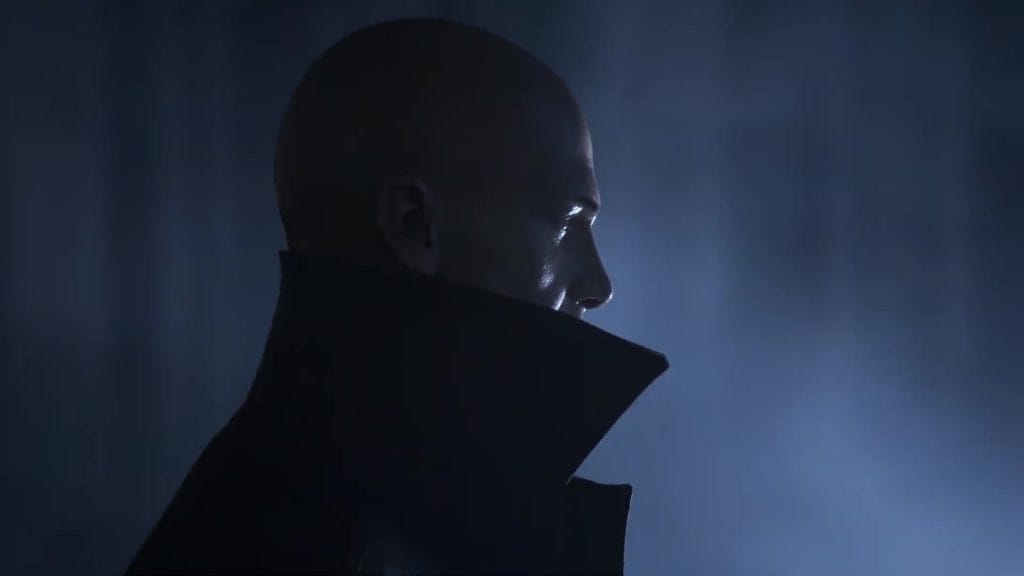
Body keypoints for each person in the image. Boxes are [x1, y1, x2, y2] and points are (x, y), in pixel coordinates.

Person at [126, 18, 668, 575]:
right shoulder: (340, 540)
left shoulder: (300, 501)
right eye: (569, 221)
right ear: (413, 223)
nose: (599, 285)